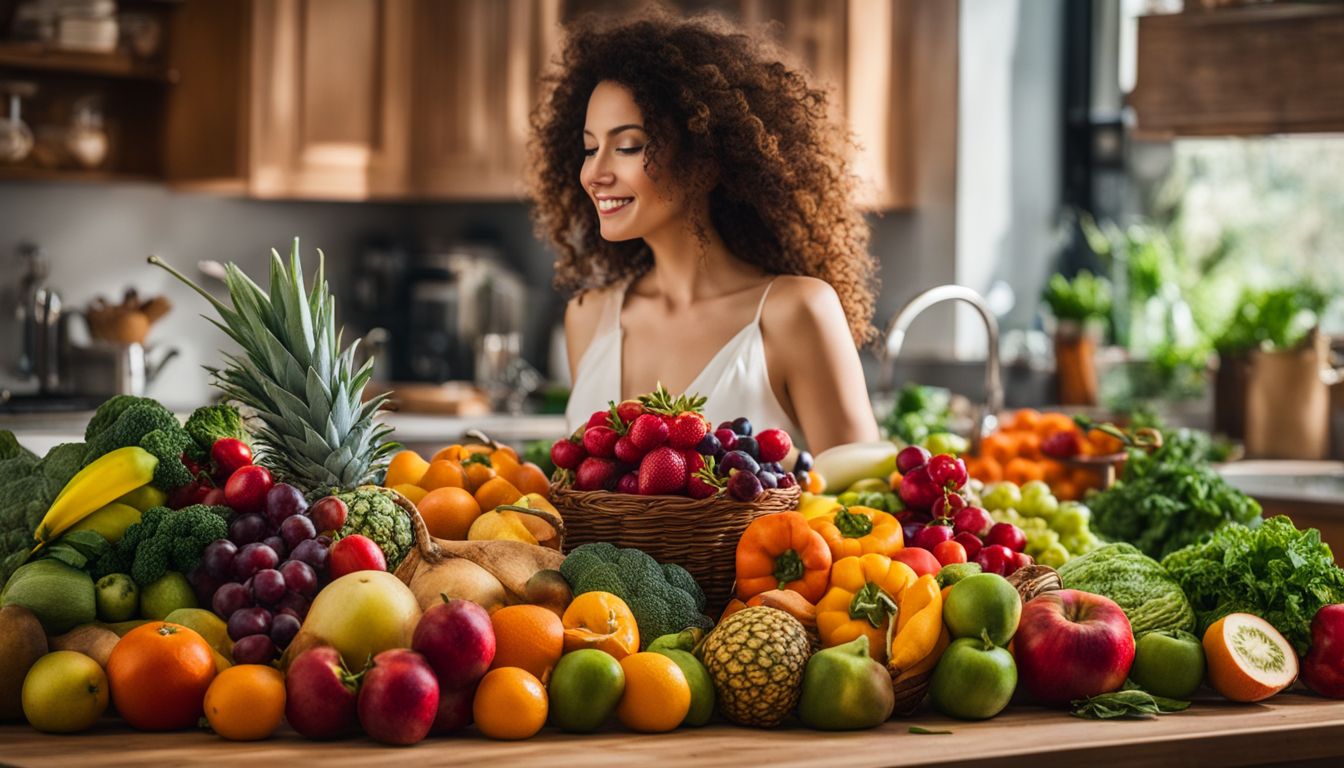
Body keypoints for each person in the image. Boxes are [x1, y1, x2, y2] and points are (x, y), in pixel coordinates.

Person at [529, 9, 880, 454]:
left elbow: (864, 506)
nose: (595, 174)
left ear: (707, 159)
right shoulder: (588, 317)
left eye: (628, 147)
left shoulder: (797, 313)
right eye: (589, 148)